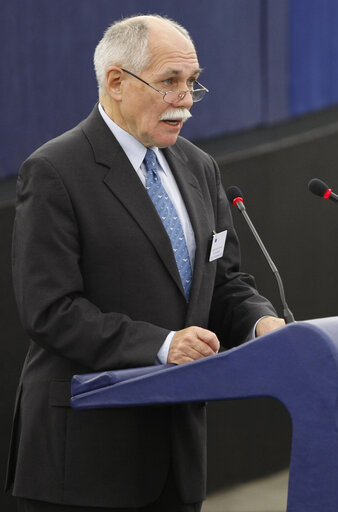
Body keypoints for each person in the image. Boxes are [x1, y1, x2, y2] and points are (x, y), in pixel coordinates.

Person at [6, 14, 286, 511]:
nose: (185, 100)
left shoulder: (200, 168)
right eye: (170, 82)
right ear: (116, 82)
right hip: (86, 462)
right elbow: (50, 310)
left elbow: (224, 284)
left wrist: (262, 321)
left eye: (192, 84)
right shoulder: (55, 171)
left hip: (177, 460)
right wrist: (162, 345)